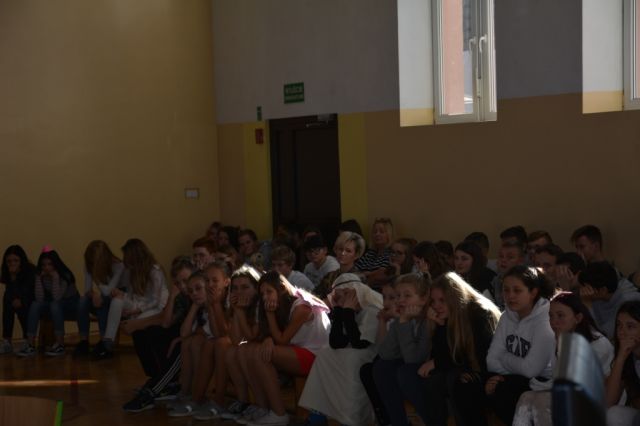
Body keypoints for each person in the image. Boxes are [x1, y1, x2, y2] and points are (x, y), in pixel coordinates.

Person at [235, 271, 330, 426]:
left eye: (269, 292)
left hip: (319, 357)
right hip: (300, 351)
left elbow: (282, 340)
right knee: (247, 349)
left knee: (261, 354)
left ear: (282, 289)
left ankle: (278, 413)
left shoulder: (302, 307)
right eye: (262, 293)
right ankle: (263, 408)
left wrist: (270, 315)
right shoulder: (284, 304)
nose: (265, 297)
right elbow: (259, 337)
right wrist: (268, 338)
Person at [406, 272, 501, 426]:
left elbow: (477, 356)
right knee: (432, 380)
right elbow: (441, 353)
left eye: (442, 300)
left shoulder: (479, 312)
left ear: (455, 298)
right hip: (463, 365)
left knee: (455, 379)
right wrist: (440, 325)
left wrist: (437, 362)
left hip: (487, 372)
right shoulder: (448, 315)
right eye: (433, 301)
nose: (436, 305)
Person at [513, 291, 614, 426]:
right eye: (551, 316)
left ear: (578, 318)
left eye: (560, 315)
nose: (554, 322)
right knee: (526, 397)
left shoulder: (598, 345)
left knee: (543, 401)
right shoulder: (560, 336)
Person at [299, 273, 383, 426]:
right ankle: (319, 413)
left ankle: (352, 417)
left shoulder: (372, 309)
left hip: (372, 352)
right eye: (336, 297)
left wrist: (348, 312)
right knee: (325, 354)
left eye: (342, 295)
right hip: (354, 350)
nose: (338, 300)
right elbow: (336, 342)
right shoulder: (347, 310)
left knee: (351, 360)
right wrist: (338, 311)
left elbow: (360, 343)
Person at [122, 255, 195, 412]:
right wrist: (172, 296)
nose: (183, 286)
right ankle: (159, 379)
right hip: (185, 332)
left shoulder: (199, 293)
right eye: (178, 283)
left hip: (194, 337)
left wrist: (183, 338)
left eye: (186, 280)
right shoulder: (182, 296)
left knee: (182, 346)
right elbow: (166, 322)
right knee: (150, 332)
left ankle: (152, 392)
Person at [485, 265, 556, 425]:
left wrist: (504, 358)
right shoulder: (506, 316)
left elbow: (531, 370)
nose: (510, 296)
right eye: (506, 290)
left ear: (533, 292)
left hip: (543, 382)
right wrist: (505, 374)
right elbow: (491, 361)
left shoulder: (546, 320)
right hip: (514, 376)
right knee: (470, 383)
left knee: (503, 389)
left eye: (517, 290)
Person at [372, 273, 431, 426]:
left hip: (429, 366)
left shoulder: (428, 321)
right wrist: (401, 321)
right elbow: (385, 354)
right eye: (398, 296)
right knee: (381, 367)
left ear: (423, 299)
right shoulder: (404, 317)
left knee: (405, 372)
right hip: (412, 363)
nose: (400, 300)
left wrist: (403, 321)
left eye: (407, 295)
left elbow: (413, 359)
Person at [96, 239, 168, 359]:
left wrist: (136, 311)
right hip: (138, 304)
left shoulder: (155, 271)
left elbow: (155, 301)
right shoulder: (132, 270)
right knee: (117, 300)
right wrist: (122, 295)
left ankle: (147, 351)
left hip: (155, 307)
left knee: (135, 323)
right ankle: (108, 341)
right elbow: (132, 295)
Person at [17, 247, 78, 357]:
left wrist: (55, 278)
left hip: (71, 304)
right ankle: (30, 344)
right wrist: (38, 279)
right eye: (43, 265)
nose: (46, 268)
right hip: (55, 305)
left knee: (55, 304)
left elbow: (57, 298)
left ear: (56, 264)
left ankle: (60, 344)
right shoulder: (42, 276)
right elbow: (39, 299)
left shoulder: (65, 275)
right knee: (35, 304)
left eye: (50, 264)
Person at [220, 266, 263, 420]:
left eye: (245, 287)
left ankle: (261, 404)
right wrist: (237, 311)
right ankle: (243, 401)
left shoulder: (260, 304)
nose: (240, 292)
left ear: (256, 288)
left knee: (243, 351)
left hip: (270, 348)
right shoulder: (240, 305)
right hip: (254, 348)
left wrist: (239, 311)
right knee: (231, 352)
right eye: (235, 288)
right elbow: (237, 340)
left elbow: (252, 337)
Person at [74, 240, 125, 357]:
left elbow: (109, 291)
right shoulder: (89, 265)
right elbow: (87, 289)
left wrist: (98, 291)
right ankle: (83, 341)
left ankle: (104, 342)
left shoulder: (118, 266)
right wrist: (94, 295)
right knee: (82, 301)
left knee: (103, 301)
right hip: (101, 297)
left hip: (116, 299)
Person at [360, 281, 398, 426]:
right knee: (367, 369)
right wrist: (382, 321)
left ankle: (390, 417)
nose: (386, 302)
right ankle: (382, 416)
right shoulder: (386, 317)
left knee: (379, 368)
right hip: (388, 357)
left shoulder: (405, 318)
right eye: (384, 297)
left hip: (401, 358)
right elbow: (382, 348)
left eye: (391, 298)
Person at [579, 261, 640, 340]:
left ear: (603, 290)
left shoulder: (627, 303)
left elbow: (604, 335)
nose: (583, 291)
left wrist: (587, 305)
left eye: (587, 288)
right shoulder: (599, 297)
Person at [605, 301, 640, 425]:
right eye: (619, 325)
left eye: (630, 326)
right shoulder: (627, 356)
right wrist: (620, 358)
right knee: (614, 414)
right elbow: (608, 402)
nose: (622, 332)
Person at [0, 245, 36, 354]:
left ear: (21, 260)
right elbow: (10, 292)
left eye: (16, 260)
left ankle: (27, 340)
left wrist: (20, 300)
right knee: (7, 300)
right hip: (17, 299)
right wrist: (12, 277)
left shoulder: (30, 270)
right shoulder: (8, 271)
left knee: (20, 305)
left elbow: (29, 292)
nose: (12, 263)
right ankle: (7, 341)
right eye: (9, 261)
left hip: (33, 300)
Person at [314, 232, 366, 301]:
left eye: (348, 251)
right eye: (340, 249)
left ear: (356, 255)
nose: (343, 253)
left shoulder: (358, 278)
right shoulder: (330, 275)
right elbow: (315, 294)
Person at [484, 242, 526, 310]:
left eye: (510, 257)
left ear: (520, 261)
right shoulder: (494, 281)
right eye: (501, 256)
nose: (503, 260)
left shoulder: (526, 283)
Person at [355, 218, 394, 289]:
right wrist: (369, 274)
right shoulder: (370, 253)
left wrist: (364, 274)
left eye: (381, 232)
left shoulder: (390, 253)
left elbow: (381, 274)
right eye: (375, 232)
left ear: (389, 235)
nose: (377, 234)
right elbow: (354, 270)